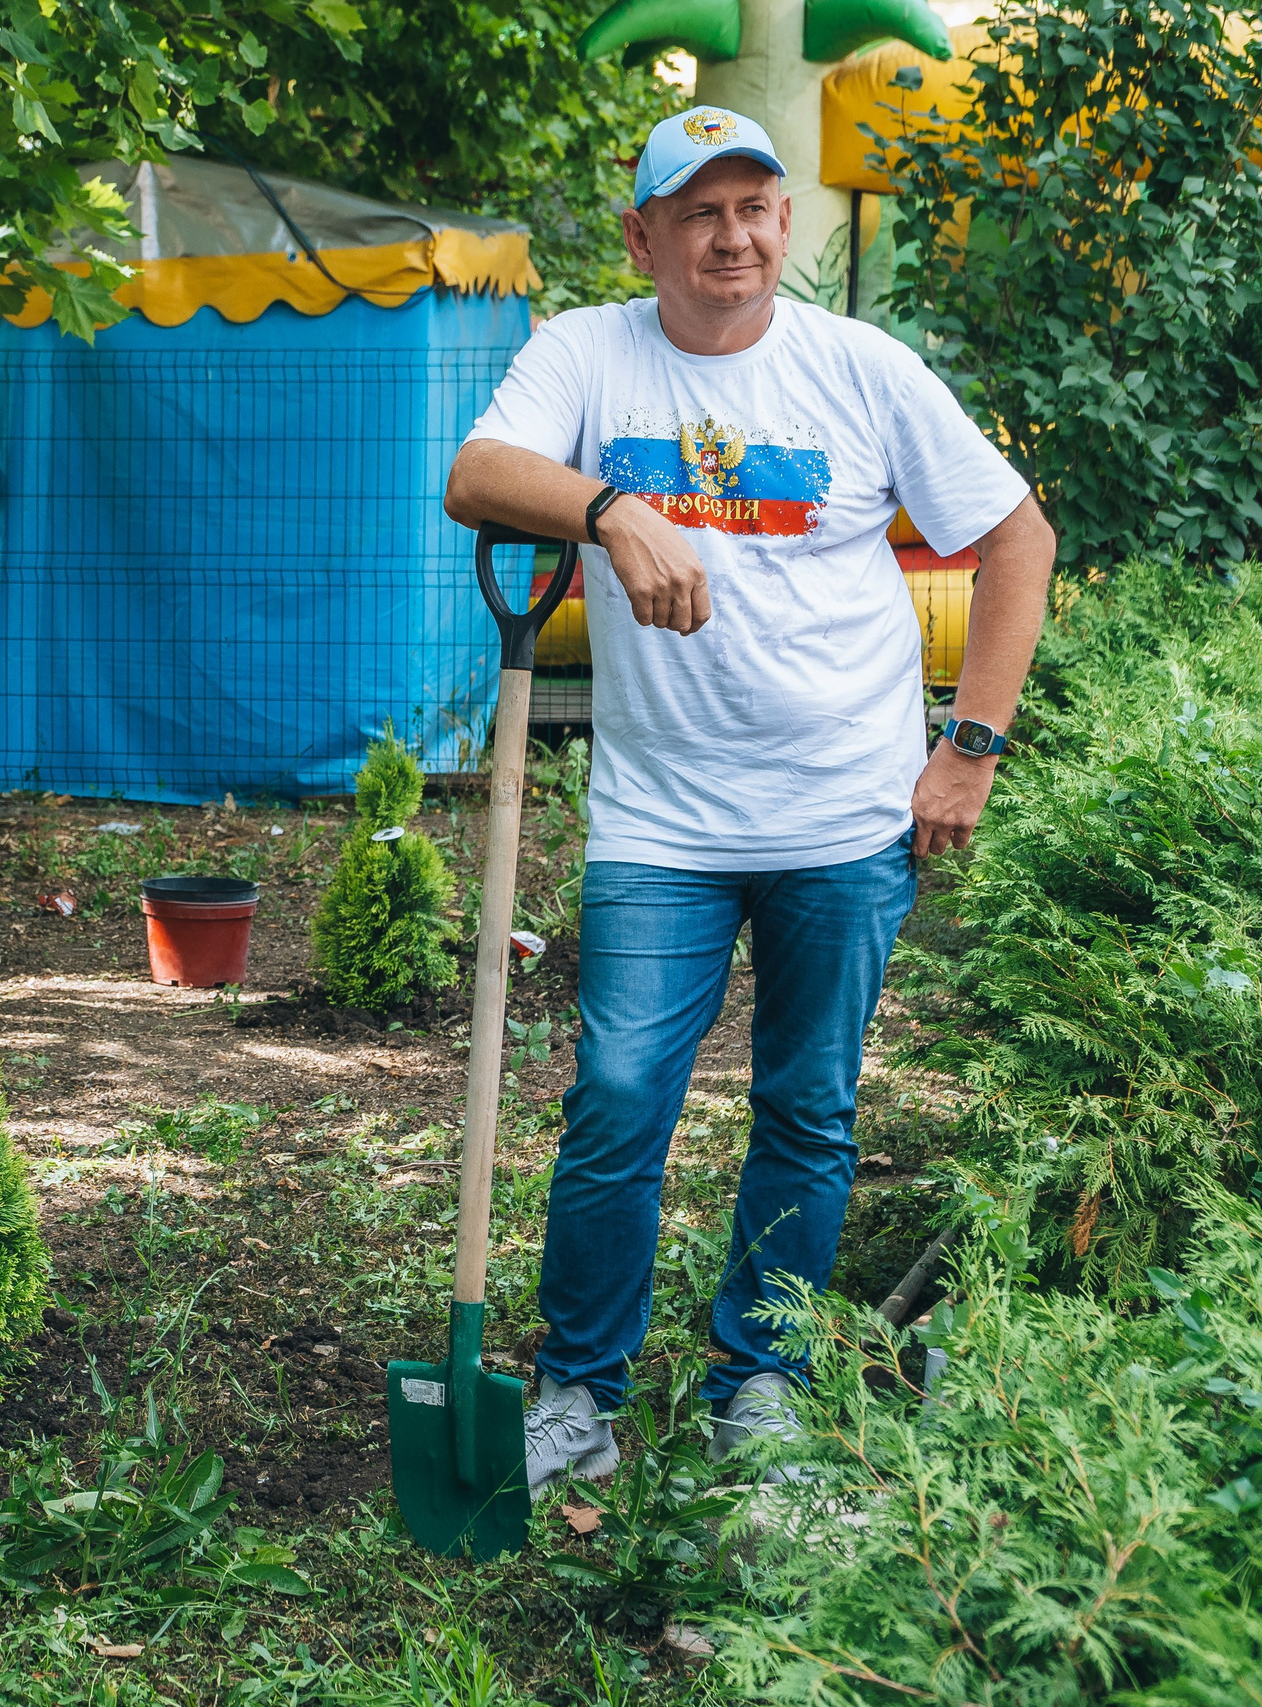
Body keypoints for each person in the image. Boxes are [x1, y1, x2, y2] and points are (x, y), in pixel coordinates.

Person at [443, 106, 1056, 1488]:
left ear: (789, 225)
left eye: (757, 208)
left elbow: (1018, 536)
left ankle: (761, 1381)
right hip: (662, 823)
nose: (734, 235)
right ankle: (577, 1395)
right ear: (643, 234)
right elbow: (476, 476)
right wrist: (613, 509)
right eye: (701, 210)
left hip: (844, 821)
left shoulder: (863, 369)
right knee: (614, 1102)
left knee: (809, 1107)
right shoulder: (587, 353)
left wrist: (970, 746)